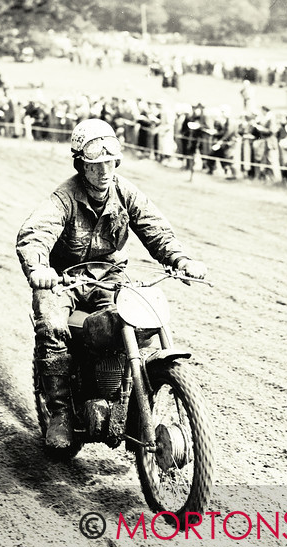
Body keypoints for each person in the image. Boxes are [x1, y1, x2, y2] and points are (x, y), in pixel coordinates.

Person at [16, 118, 207, 448]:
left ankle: (132, 404)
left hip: (110, 278)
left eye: (109, 163)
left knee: (134, 321)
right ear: (81, 165)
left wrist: (180, 259)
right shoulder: (64, 198)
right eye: (95, 165)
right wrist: (38, 268)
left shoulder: (125, 193)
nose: (104, 171)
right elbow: (35, 234)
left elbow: (155, 227)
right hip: (64, 281)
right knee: (51, 325)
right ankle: (61, 413)